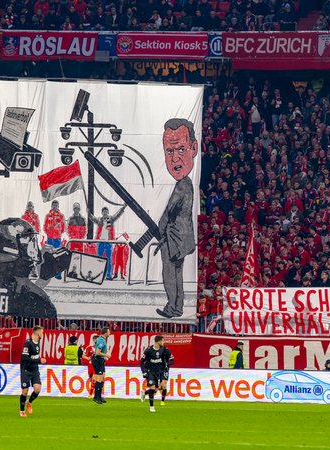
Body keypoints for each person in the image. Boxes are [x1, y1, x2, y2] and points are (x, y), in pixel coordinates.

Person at [155, 118, 198, 319]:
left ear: (193, 149)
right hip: (181, 238)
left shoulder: (182, 186)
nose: (175, 159)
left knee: (170, 273)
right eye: (169, 151)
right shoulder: (187, 184)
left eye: (181, 149)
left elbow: (168, 213)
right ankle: (177, 307)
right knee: (177, 273)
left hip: (174, 238)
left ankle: (172, 307)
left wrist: (160, 229)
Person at [90, 206, 126, 280]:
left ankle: (108, 275)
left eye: (106, 211)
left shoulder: (111, 219)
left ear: (108, 212)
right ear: (102, 213)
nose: (105, 213)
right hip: (100, 242)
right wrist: (89, 214)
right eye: (104, 211)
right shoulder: (99, 220)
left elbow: (117, 215)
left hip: (108, 242)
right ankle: (98, 275)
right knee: (99, 258)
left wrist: (123, 208)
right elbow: (93, 219)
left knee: (109, 259)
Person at [20, 325, 46, 417]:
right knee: (25, 391)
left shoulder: (38, 342)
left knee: (37, 389)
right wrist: (39, 360)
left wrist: (39, 359)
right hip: (26, 370)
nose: (43, 334)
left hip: (34, 370)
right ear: (38, 333)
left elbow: (35, 356)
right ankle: (22, 411)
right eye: (42, 332)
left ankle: (29, 402)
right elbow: (24, 357)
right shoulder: (28, 343)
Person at [140, 336, 165, 413]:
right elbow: (141, 362)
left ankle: (144, 393)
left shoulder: (163, 349)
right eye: (162, 341)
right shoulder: (148, 350)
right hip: (149, 371)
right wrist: (144, 371)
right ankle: (151, 406)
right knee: (153, 387)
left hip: (158, 372)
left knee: (156, 389)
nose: (163, 342)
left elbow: (163, 361)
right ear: (158, 342)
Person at [92, 327, 112, 404]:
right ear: (105, 333)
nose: (110, 333)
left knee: (102, 378)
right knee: (99, 379)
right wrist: (106, 355)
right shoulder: (101, 341)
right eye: (109, 332)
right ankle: (96, 397)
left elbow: (94, 345)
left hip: (100, 360)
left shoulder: (100, 339)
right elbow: (97, 352)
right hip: (98, 360)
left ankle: (99, 396)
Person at [81, 334, 98, 398]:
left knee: (94, 379)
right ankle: (94, 392)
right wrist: (87, 358)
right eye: (96, 340)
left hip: (96, 366)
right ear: (93, 340)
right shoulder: (89, 347)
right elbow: (83, 355)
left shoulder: (100, 348)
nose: (97, 341)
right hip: (90, 365)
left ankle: (91, 394)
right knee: (91, 379)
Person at [159, 340, 174, 405]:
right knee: (157, 386)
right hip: (156, 370)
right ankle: (145, 393)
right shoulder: (153, 350)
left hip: (164, 370)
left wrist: (167, 364)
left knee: (164, 385)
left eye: (162, 341)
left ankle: (162, 401)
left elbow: (172, 361)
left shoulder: (167, 350)